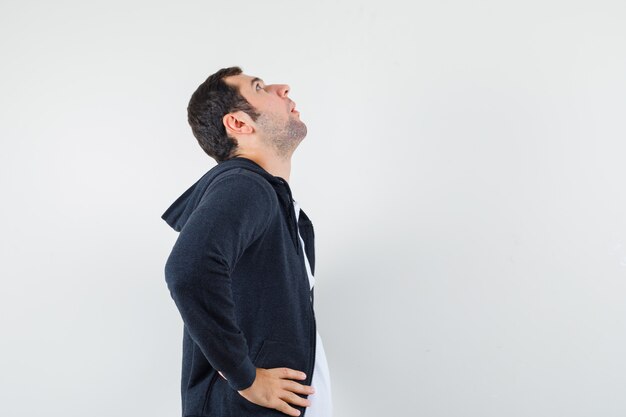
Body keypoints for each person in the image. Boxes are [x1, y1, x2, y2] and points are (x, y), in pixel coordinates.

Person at [161, 66, 332, 417]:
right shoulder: (246, 185)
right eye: (260, 87)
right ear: (239, 123)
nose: (282, 87)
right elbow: (188, 270)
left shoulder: (268, 198)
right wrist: (247, 378)